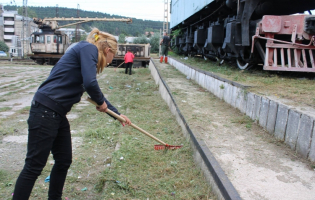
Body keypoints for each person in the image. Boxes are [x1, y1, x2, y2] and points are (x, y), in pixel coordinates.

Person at [12, 28, 131, 200]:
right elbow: (90, 84)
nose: (110, 62)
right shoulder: (88, 49)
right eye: (114, 56)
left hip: (56, 114)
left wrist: (117, 115)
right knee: (34, 166)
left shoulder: (84, 53)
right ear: (108, 51)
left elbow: (95, 92)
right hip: (45, 110)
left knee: (63, 160)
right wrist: (102, 103)